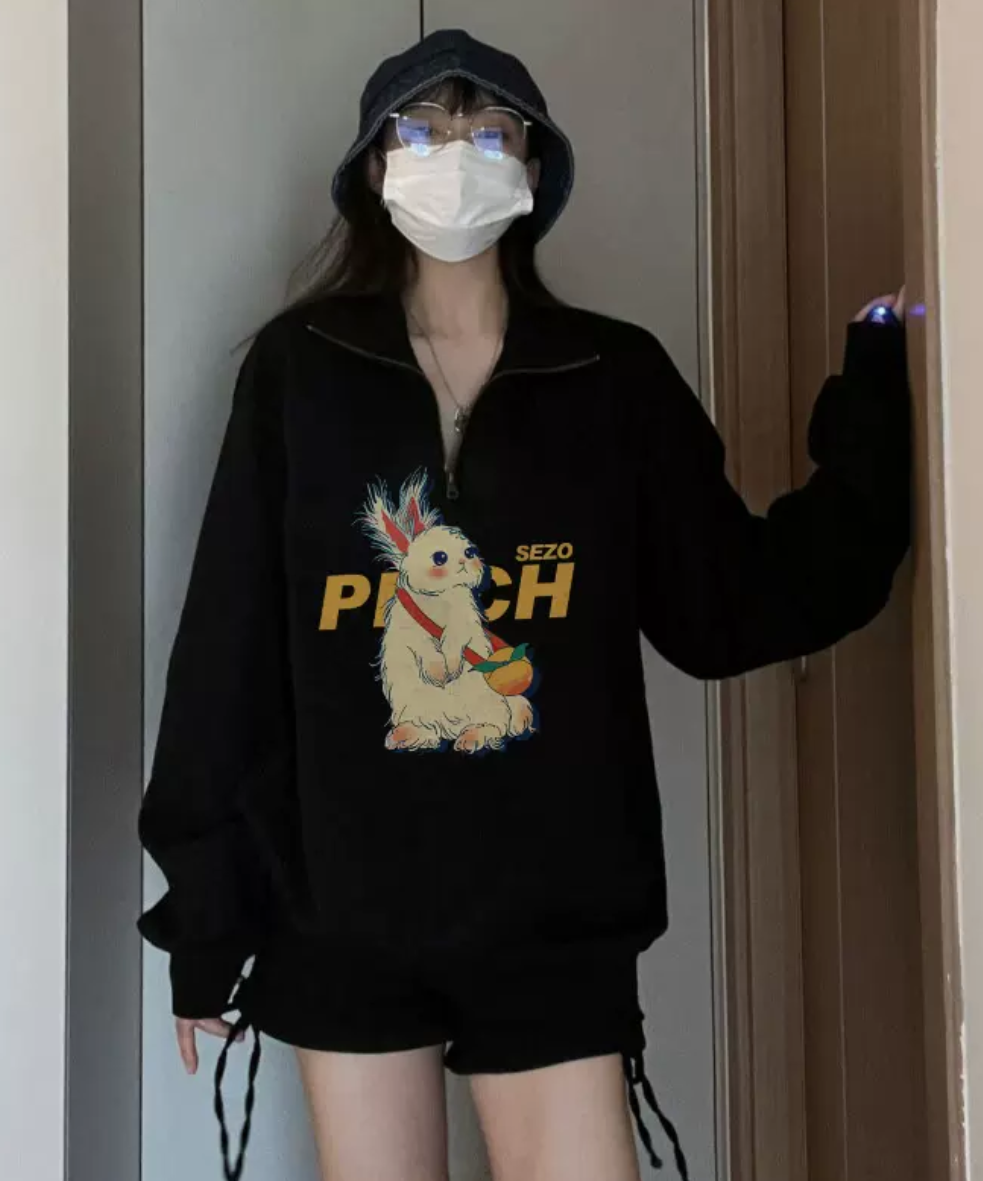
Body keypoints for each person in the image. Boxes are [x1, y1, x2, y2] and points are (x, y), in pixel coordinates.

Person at [137, 26, 911, 1181]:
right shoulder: (300, 371)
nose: (454, 155)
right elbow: (227, 654)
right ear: (373, 166)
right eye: (422, 130)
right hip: (338, 906)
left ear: (535, 167)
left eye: (487, 131)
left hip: (554, 908)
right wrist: (206, 919)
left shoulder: (611, 377)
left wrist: (875, 403)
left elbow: (728, 604)